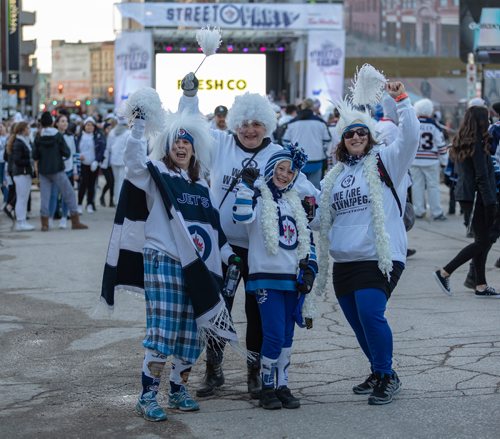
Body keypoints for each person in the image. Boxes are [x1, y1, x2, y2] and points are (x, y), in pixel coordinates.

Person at [179, 73, 318, 399]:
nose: (250, 129)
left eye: (257, 123)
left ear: (267, 124)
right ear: (234, 123)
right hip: (221, 246)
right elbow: (188, 128)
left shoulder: (277, 153)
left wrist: (314, 207)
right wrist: (189, 97)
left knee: (258, 312)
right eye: (244, 123)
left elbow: (304, 189)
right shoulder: (220, 142)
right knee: (216, 309)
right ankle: (214, 371)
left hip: (262, 251)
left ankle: (257, 373)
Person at [122, 101, 237, 422]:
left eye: (186, 142)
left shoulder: (201, 183)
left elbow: (213, 227)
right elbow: (131, 163)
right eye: (176, 141)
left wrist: (228, 255)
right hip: (165, 260)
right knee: (165, 330)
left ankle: (177, 389)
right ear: (167, 147)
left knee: (193, 333)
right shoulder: (155, 172)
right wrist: (138, 126)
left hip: (198, 268)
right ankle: (147, 397)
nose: (181, 146)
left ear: (194, 148)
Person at [312, 79, 420, 405]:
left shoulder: (386, 161)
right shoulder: (335, 175)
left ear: (370, 137)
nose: (356, 137)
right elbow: (321, 219)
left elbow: (411, 137)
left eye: (362, 132)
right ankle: (378, 369)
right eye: (350, 133)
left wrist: (401, 99)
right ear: (342, 140)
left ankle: (387, 376)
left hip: (379, 255)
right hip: (345, 259)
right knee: (359, 325)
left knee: (372, 315)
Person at [232, 144, 317, 410]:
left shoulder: (296, 202)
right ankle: (266, 387)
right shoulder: (258, 197)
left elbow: (308, 240)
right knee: (273, 334)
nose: (284, 175)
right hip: (265, 278)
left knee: (288, 336)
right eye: (280, 169)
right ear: (271, 169)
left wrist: (310, 270)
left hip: (292, 280)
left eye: (290, 172)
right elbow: (241, 215)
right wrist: (246, 187)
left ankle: (283, 385)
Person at [433, 105, 500, 297]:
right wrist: (491, 203)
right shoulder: (477, 144)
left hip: (466, 195)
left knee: (482, 240)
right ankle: (445, 272)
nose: (489, 121)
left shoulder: (461, 141)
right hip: (479, 197)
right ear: (480, 121)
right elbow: (482, 177)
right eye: (486, 118)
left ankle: (480, 285)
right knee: (483, 242)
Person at [32, 112, 88, 231]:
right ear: (52, 122)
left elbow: (35, 155)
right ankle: (75, 221)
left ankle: (45, 223)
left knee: (45, 197)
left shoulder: (38, 136)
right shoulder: (57, 135)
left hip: (43, 171)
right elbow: (67, 152)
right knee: (69, 193)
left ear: (41, 123)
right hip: (57, 169)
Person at [410, 98, 448, 221]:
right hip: (432, 161)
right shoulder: (434, 125)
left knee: (417, 186)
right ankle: (436, 212)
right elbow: (441, 145)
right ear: (430, 110)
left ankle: (419, 211)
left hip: (414, 161)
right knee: (433, 187)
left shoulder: (412, 123)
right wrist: (444, 161)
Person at [282, 98, 332, 188]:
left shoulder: (292, 123)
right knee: (314, 190)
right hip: (316, 161)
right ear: (312, 107)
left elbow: (285, 141)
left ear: (302, 107)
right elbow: (327, 140)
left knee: (296, 189)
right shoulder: (320, 122)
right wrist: (323, 152)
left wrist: (291, 153)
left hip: (297, 162)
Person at [48, 114, 79, 229]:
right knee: (54, 195)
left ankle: (64, 218)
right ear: (56, 123)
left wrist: (76, 171)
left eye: (66, 121)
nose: (64, 123)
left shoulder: (71, 137)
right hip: (56, 170)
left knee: (67, 196)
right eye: (62, 121)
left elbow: (75, 154)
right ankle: (50, 218)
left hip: (69, 170)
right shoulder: (53, 136)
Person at [6, 121, 36, 231]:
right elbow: (17, 160)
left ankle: (22, 221)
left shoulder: (24, 141)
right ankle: (20, 222)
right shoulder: (19, 142)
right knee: (21, 198)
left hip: (24, 173)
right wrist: (30, 161)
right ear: (23, 130)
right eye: (28, 128)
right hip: (20, 173)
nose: (29, 130)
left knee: (23, 198)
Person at [75, 117, 105, 213]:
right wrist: (78, 156)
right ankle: (79, 204)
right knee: (82, 185)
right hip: (82, 164)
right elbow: (75, 149)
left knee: (92, 185)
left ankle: (89, 204)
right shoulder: (79, 137)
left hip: (93, 165)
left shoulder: (97, 137)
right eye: (88, 125)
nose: (90, 127)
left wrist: (97, 161)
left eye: (92, 125)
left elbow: (101, 150)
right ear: (84, 126)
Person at [108, 116, 130, 203]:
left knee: (116, 181)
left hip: (114, 160)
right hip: (123, 161)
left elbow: (108, 147)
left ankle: (116, 201)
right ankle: (120, 202)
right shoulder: (128, 133)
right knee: (121, 181)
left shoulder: (112, 132)